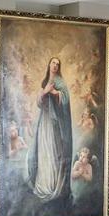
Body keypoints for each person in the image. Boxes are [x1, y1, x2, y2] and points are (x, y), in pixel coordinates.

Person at [29, 56, 73, 202]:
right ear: (49, 64)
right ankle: (43, 185)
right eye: (53, 63)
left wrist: (55, 93)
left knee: (53, 151)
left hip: (55, 124)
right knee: (44, 150)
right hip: (45, 121)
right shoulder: (45, 82)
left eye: (57, 64)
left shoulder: (60, 82)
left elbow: (65, 99)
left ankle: (53, 186)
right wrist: (45, 91)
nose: (55, 65)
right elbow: (39, 103)